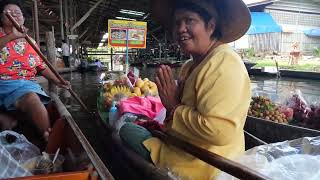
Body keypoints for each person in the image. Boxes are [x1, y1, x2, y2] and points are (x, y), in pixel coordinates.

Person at [119, 0, 252, 179]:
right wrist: (171, 106)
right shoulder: (189, 65)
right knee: (130, 129)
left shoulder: (225, 63)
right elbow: (179, 112)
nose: (181, 28)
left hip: (205, 166)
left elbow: (219, 132)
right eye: (177, 23)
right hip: (181, 147)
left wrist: (174, 106)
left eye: (189, 20)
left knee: (126, 130)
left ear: (211, 26)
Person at [0, 0, 69, 141]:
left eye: (17, 13)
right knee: (31, 97)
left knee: (33, 98)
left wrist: (58, 81)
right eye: (8, 13)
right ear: (1, 18)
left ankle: (47, 138)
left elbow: (40, 66)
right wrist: (12, 36)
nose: (14, 15)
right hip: (3, 83)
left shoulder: (30, 41)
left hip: (26, 85)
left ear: (23, 18)